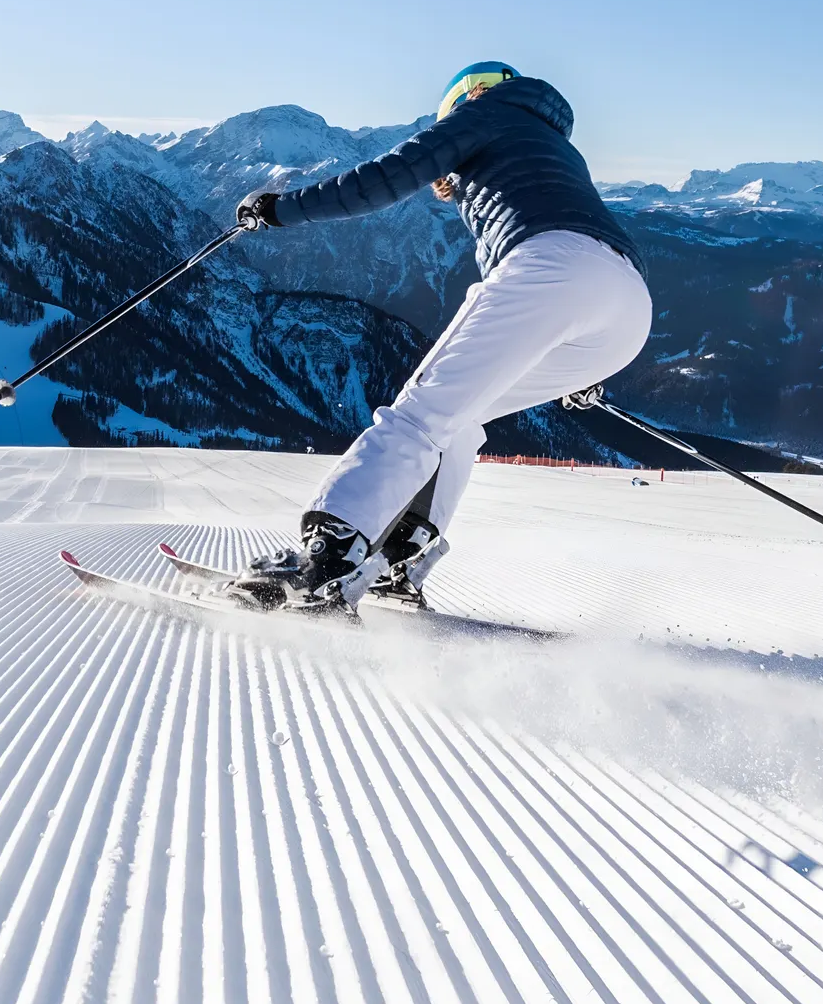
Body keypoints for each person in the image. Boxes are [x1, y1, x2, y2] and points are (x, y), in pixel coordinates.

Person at [225, 62, 651, 613]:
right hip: (627, 306)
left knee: (420, 415)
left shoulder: (487, 112)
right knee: (459, 416)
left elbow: (381, 181)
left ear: (464, 101)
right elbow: (590, 258)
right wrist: (578, 360)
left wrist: (281, 209)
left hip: (551, 267)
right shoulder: (555, 145)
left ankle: (326, 561)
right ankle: (399, 561)